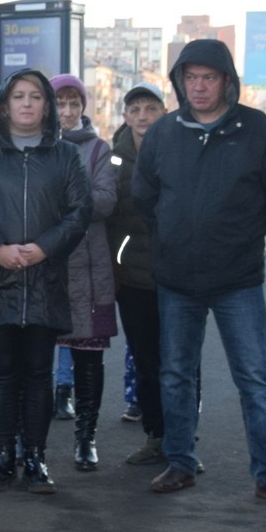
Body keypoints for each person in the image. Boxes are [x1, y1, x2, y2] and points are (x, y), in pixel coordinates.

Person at [133, 39, 266, 501]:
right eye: (191, 77)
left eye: (208, 77)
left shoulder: (258, 132)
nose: (199, 86)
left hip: (237, 280)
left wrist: (239, 235)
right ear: (180, 82)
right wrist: (175, 235)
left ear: (227, 80)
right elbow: (145, 198)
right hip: (176, 279)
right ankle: (180, 462)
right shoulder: (164, 133)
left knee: (254, 378)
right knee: (176, 374)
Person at [0, 68, 93, 493]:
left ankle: (35, 458)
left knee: (38, 374)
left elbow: (79, 212)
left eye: (36, 96)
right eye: (19, 96)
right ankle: (3, 456)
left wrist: (44, 248)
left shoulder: (66, 156)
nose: (28, 104)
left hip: (46, 278)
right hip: (0, 278)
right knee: (1, 374)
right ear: (4, 105)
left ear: (48, 106)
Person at [50, 74, 119, 471]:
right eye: (60, 103)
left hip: (90, 271)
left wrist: (60, 199)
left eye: (74, 103)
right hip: (47, 267)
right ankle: (31, 443)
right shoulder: (37, 147)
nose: (68, 111)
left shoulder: (99, 149)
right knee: (33, 360)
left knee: (89, 360)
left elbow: (106, 201)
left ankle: (86, 437)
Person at [108, 84, 169, 466]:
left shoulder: (180, 148)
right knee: (146, 362)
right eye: (136, 109)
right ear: (126, 116)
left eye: (151, 108)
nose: (143, 116)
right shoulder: (113, 156)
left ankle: (182, 441)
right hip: (132, 277)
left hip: (178, 277)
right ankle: (155, 435)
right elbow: (106, 212)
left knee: (182, 364)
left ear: (164, 112)